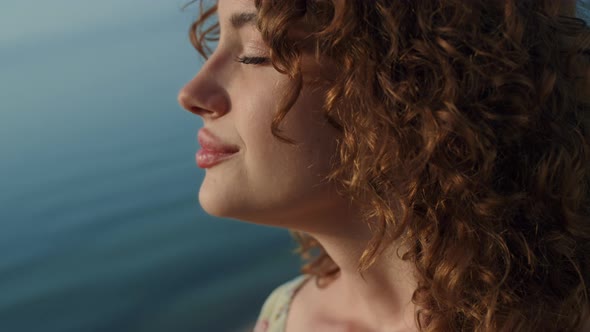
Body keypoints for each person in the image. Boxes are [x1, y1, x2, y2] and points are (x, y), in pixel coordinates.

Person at [178, 0, 590, 331]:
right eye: (217, 42)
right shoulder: (282, 315)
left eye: (255, 54)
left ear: (412, 81)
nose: (191, 93)